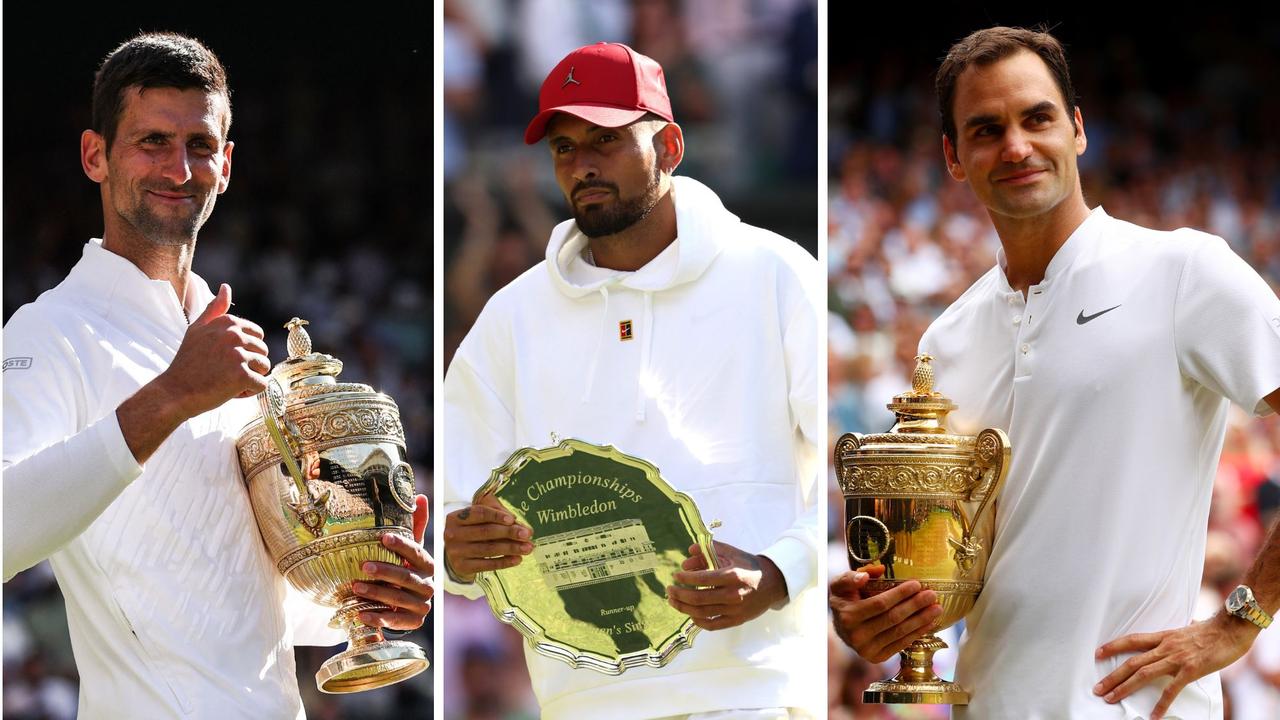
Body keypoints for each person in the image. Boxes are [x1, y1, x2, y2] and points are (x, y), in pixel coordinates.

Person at [829, 26, 1280, 720]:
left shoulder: (1186, 271)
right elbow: (950, 565)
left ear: (1076, 130)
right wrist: (872, 614)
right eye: (985, 130)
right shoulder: (945, 340)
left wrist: (1239, 621)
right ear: (953, 157)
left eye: (1036, 118)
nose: (1015, 146)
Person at [1, 32, 433, 718]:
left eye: (199, 146)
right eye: (151, 142)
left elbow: (242, 606)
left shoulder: (229, 341)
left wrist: (363, 590)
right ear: (95, 156)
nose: (178, 167)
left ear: (225, 165)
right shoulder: (51, 333)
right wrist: (172, 396)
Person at [442, 42, 822, 719]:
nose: (581, 165)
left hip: (750, 691)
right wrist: (462, 552)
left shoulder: (777, 274)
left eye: (606, 141)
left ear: (670, 145)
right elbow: (450, 519)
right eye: (563, 148)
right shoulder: (512, 317)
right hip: (581, 700)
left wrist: (777, 572)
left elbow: (849, 475)